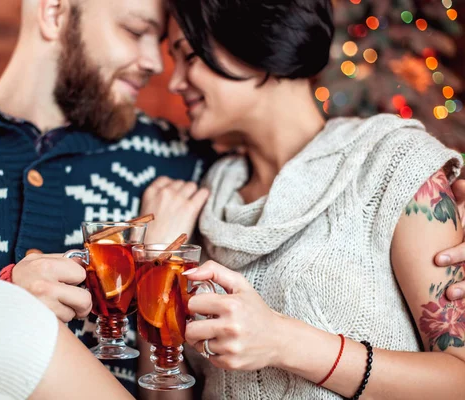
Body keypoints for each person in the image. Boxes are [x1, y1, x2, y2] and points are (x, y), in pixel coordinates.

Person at [0, 0, 212, 398]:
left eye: (161, 42)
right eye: (135, 32)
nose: (155, 62)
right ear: (54, 13)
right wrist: (4, 292)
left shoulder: (176, 163)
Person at [137, 0, 465, 398]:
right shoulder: (200, 200)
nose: (174, 82)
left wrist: (285, 342)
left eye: (189, 56)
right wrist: (155, 269)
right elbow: (163, 392)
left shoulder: (393, 162)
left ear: (260, 41)